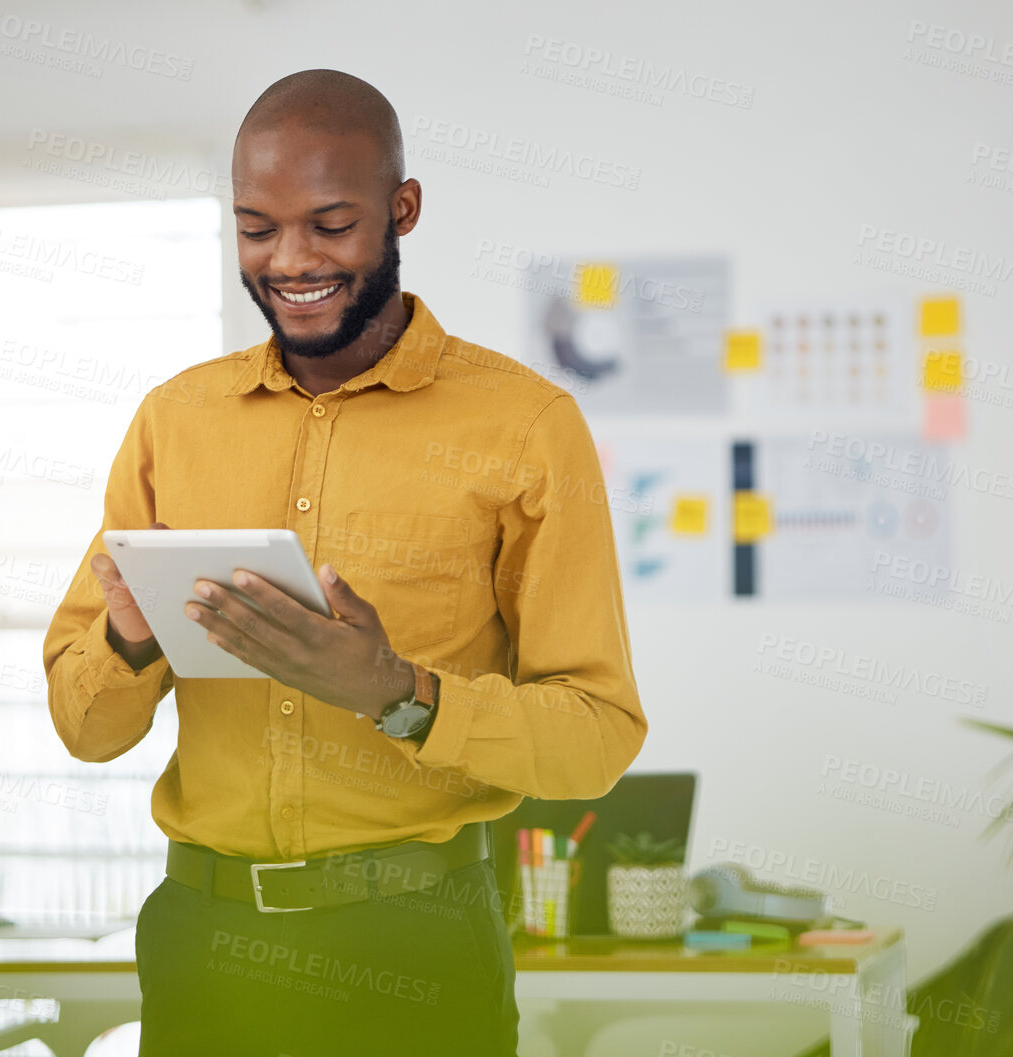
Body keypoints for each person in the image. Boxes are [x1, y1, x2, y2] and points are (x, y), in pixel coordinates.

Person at [41, 68, 646, 1056]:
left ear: (400, 210)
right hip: (204, 946)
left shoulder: (526, 426)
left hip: (415, 948)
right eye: (256, 227)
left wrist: (393, 692)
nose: (288, 260)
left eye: (329, 224)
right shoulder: (171, 424)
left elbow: (596, 735)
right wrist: (130, 638)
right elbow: (84, 725)